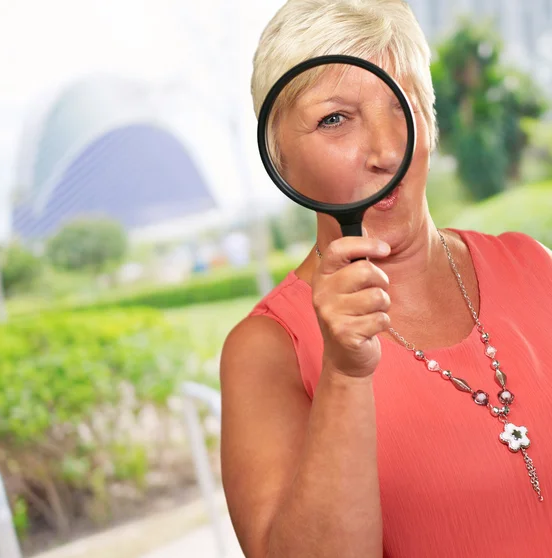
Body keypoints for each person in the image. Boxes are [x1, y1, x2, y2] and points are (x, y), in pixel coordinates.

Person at [219, 1, 552, 557]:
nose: (385, 150)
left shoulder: (534, 265)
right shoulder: (267, 350)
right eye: (334, 119)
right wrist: (345, 375)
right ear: (279, 160)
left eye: (402, 105)